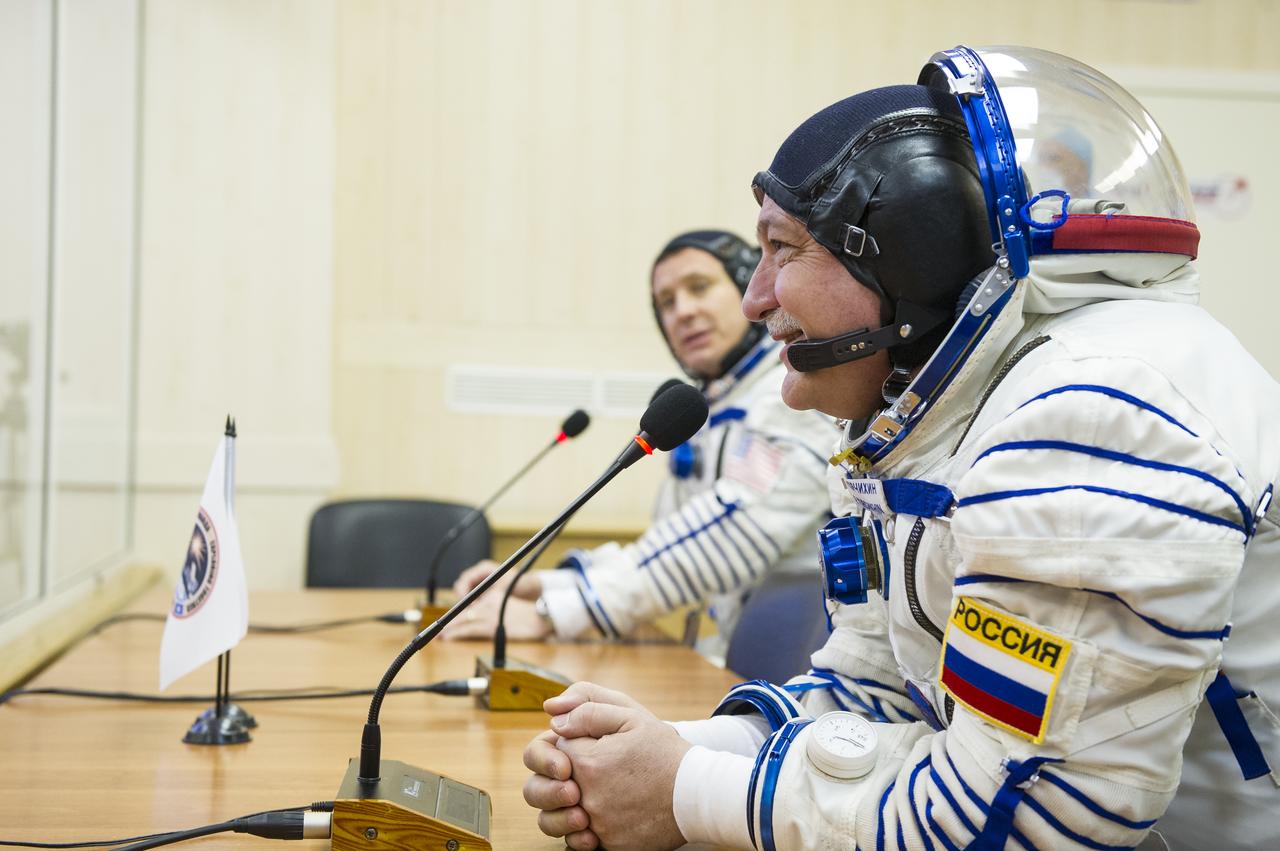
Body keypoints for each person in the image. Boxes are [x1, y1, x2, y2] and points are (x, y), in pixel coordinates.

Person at [520, 46, 1280, 851]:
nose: (755, 298)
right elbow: (872, 695)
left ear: (907, 255)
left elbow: (1024, 820)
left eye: (782, 249)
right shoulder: (944, 407)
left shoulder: (1095, 411)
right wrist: (662, 754)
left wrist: (685, 790)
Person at [442, 230, 836, 664]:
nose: (683, 311)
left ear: (748, 287)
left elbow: (732, 531)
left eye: (699, 287)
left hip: (802, 678)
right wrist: (546, 586)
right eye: (666, 302)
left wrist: (554, 613)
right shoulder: (716, 404)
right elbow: (670, 541)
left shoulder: (790, 395)